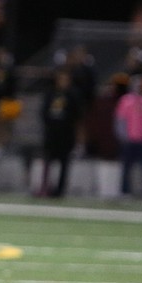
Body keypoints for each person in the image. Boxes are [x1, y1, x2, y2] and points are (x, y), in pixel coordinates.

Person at [38, 67, 84, 198]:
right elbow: (44, 112)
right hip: (52, 133)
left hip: (66, 134)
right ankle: (45, 187)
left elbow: (78, 116)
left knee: (64, 163)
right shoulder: (51, 93)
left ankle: (60, 190)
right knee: (47, 161)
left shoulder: (73, 95)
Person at [114, 74, 142, 198]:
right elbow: (120, 120)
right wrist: (123, 137)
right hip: (129, 140)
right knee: (126, 168)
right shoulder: (126, 100)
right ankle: (125, 191)